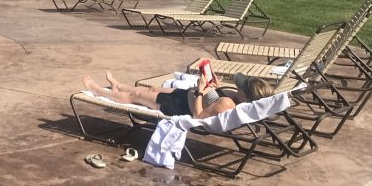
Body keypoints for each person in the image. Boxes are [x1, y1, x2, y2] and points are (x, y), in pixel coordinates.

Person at [83, 68, 273, 119]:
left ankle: (99, 91)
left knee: (137, 97)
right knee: (151, 89)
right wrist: (212, 84)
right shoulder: (235, 99)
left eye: (242, 87)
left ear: (247, 96)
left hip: (179, 106)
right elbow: (211, 99)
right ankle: (118, 86)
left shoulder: (228, 105)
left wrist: (200, 91)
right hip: (184, 96)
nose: (238, 87)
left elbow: (199, 116)